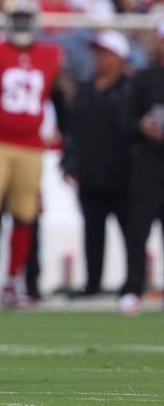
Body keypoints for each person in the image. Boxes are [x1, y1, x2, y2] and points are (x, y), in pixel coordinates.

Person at [0, 0, 67, 307]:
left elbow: (61, 101)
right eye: (17, 17)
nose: (22, 24)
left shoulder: (50, 54)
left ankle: (13, 280)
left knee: (25, 215)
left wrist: (67, 139)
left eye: (26, 17)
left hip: (31, 146)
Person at [65, 30, 132, 297]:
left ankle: (132, 283)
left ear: (118, 57)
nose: (98, 59)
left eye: (104, 54)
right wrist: (70, 158)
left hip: (123, 174)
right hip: (91, 173)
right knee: (92, 232)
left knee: (131, 233)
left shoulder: (130, 88)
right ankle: (93, 283)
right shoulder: (85, 88)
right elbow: (74, 128)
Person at [119, 20, 164, 315]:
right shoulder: (145, 77)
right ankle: (133, 287)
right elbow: (125, 120)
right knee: (139, 228)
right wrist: (143, 126)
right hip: (148, 160)